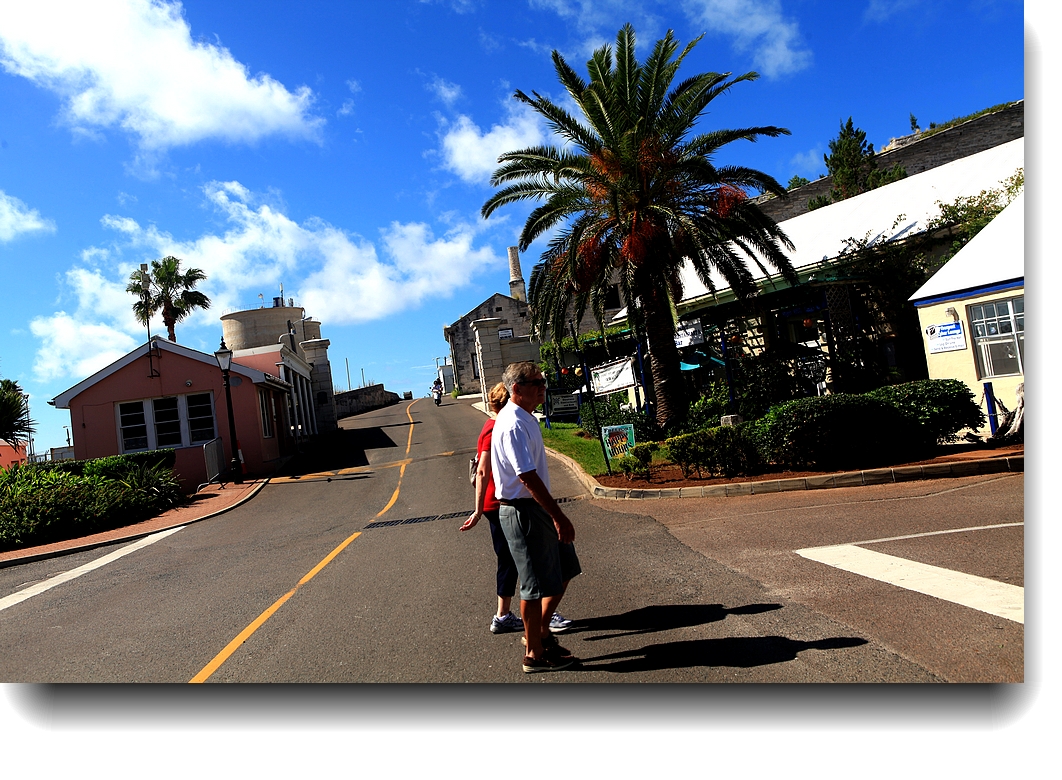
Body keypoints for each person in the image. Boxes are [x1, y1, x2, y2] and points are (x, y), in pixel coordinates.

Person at [491, 361, 581, 673]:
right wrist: (558, 515)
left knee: (565, 568)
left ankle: (540, 632)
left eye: (542, 381)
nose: (543, 387)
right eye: (536, 383)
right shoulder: (513, 424)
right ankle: (534, 654)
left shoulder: (526, 417)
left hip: (536, 507)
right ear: (517, 389)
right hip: (523, 510)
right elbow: (526, 476)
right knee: (533, 586)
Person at [460, 382, 523, 634]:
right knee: (515, 557)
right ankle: (507, 615)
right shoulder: (495, 428)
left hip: (501, 500)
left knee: (512, 557)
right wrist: (477, 511)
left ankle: (508, 614)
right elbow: (483, 471)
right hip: (497, 503)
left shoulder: (494, 425)